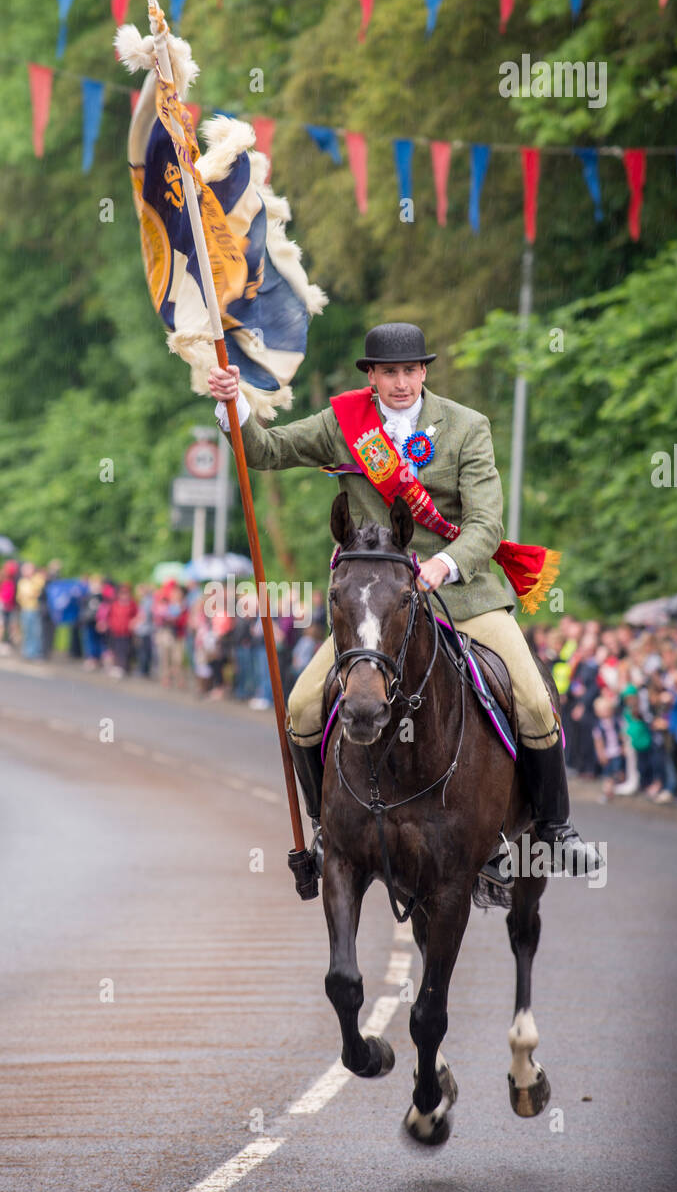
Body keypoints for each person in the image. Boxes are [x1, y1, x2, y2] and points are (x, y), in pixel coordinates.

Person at [208, 321, 600, 878]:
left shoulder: (467, 427)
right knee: (299, 709)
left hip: (464, 593)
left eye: (411, 370)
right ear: (371, 376)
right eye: (388, 372)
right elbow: (267, 452)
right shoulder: (342, 423)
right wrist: (234, 410)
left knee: (535, 701)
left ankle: (555, 830)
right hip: (380, 604)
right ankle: (328, 830)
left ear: (424, 371)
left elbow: (486, 523)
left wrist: (445, 562)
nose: (401, 382)